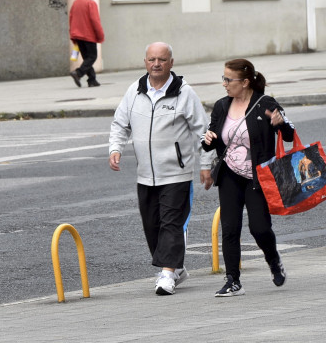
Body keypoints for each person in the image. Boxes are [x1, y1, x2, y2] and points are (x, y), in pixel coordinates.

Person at [109, 42, 211, 295]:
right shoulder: (135, 90)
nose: (156, 64)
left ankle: (166, 274)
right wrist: (115, 148)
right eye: (152, 59)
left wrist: (207, 164)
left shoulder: (184, 93)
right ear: (145, 62)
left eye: (162, 60)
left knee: (171, 223)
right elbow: (120, 123)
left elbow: (203, 132)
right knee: (152, 226)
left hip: (176, 172)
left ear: (171, 63)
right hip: (145, 175)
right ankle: (176, 268)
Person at [201, 59, 295, 297]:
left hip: (257, 177)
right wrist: (208, 139)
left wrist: (281, 123)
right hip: (230, 176)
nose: (224, 84)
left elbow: (289, 135)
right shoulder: (222, 106)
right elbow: (210, 139)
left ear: (244, 82)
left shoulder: (265, 104)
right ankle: (233, 280)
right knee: (230, 229)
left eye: (228, 80)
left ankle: (273, 260)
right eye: (223, 78)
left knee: (259, 228)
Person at [69, 0, 105, 88]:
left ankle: (92, 80)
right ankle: (78, 73)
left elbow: (71, 19)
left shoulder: (75, 2)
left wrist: (72, 34)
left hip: (77, 35)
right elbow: (95, 21)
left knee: (87, 58)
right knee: (92, 57)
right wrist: (100, 35)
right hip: (88, 35)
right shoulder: (90, 3)